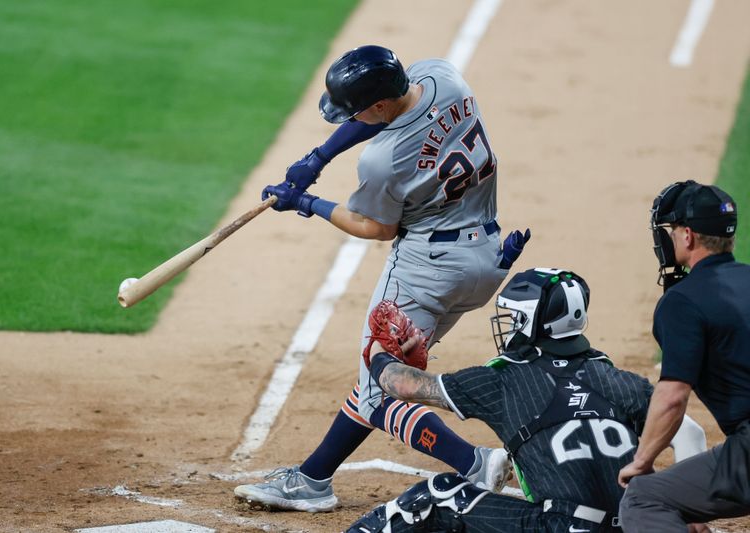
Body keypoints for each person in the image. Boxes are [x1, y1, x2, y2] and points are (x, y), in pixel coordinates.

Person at [234, 45, 530, 511]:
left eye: (355, 110)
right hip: (484, 258)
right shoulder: (442, 76)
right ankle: (313, 478)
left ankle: (475, 462)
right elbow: (382, 111)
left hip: (425, 274)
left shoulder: (384, 159)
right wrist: (319, 157)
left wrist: (307, 204)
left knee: (379, 394)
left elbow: (376, 227)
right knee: (377, 377)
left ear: (375, 107)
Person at [345, 267, 706, 532]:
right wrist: (687, 519)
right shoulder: (618, 379)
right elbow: (690, 433)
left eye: (513, 316)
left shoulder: (505, 380)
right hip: (633, 526)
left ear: (530, 320)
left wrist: (379, 353)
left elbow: (403, 386)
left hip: (561, 527)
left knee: (441, 493)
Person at [618, 180, 750, 531]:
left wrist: (643, 461)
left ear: (688, 236)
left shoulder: (682, 301)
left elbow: (673, 396)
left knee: (644, 498)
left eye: (673, 231)